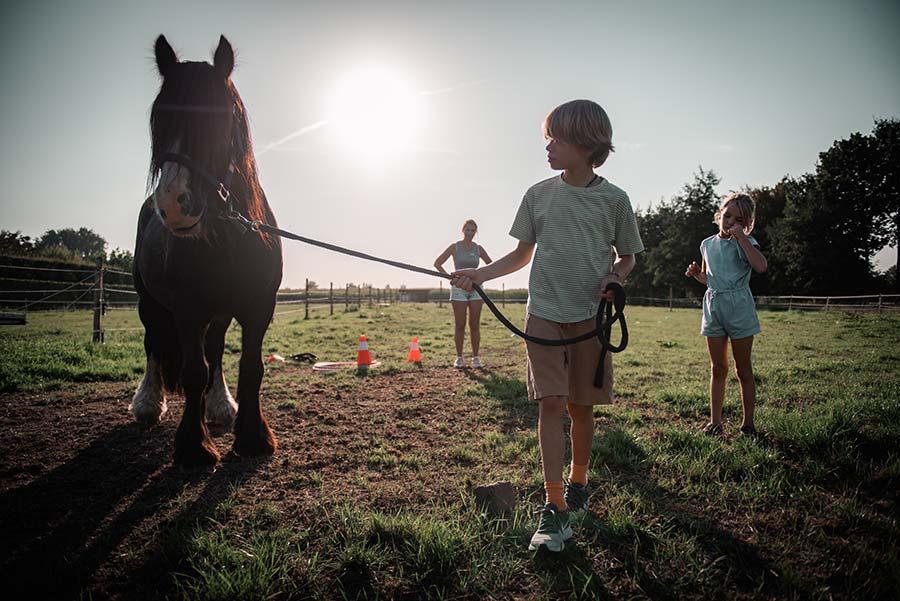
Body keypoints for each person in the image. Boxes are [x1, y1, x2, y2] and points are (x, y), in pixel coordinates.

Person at [451, 100, 643, 552]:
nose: (547, 146)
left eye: (555, 138)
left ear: (585, 143)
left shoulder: (615, 200)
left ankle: (578, 480)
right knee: (551, 403)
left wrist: (617, 277)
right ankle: (553, 504)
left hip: (589, 320)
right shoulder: (538, 195)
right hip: (543, 315)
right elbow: (521, 255)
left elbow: (629, 254)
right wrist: (478, 275)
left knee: (581, 407)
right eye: (547, 138)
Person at [685, 192, 768, 438]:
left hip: (739, 307)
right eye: (728, 215)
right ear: (720, 214)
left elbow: (761, 266)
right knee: (718, 368)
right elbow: (709, 277)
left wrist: (742, 238)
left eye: (739, 219)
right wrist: (696, 275)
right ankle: (715, 422)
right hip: (714, 307)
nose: (731, 222)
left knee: (743, 369)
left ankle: (748, 424)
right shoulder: (706, 244)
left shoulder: (747, 242)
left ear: (747, 223)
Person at [434, 219, 493, 368]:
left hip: (476, 289)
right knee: (460, 324)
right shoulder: (455, 247)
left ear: (476, 232)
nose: (470, 233)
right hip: (459, 289)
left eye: (473, 231)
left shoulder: (478, 248)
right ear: (463, 230)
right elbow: (437, 263)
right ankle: (459, 358)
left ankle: (476, 358)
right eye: (467, 230)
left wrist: (481, 276)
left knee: (474, 324)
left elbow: (491, 265)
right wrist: (450, 277)